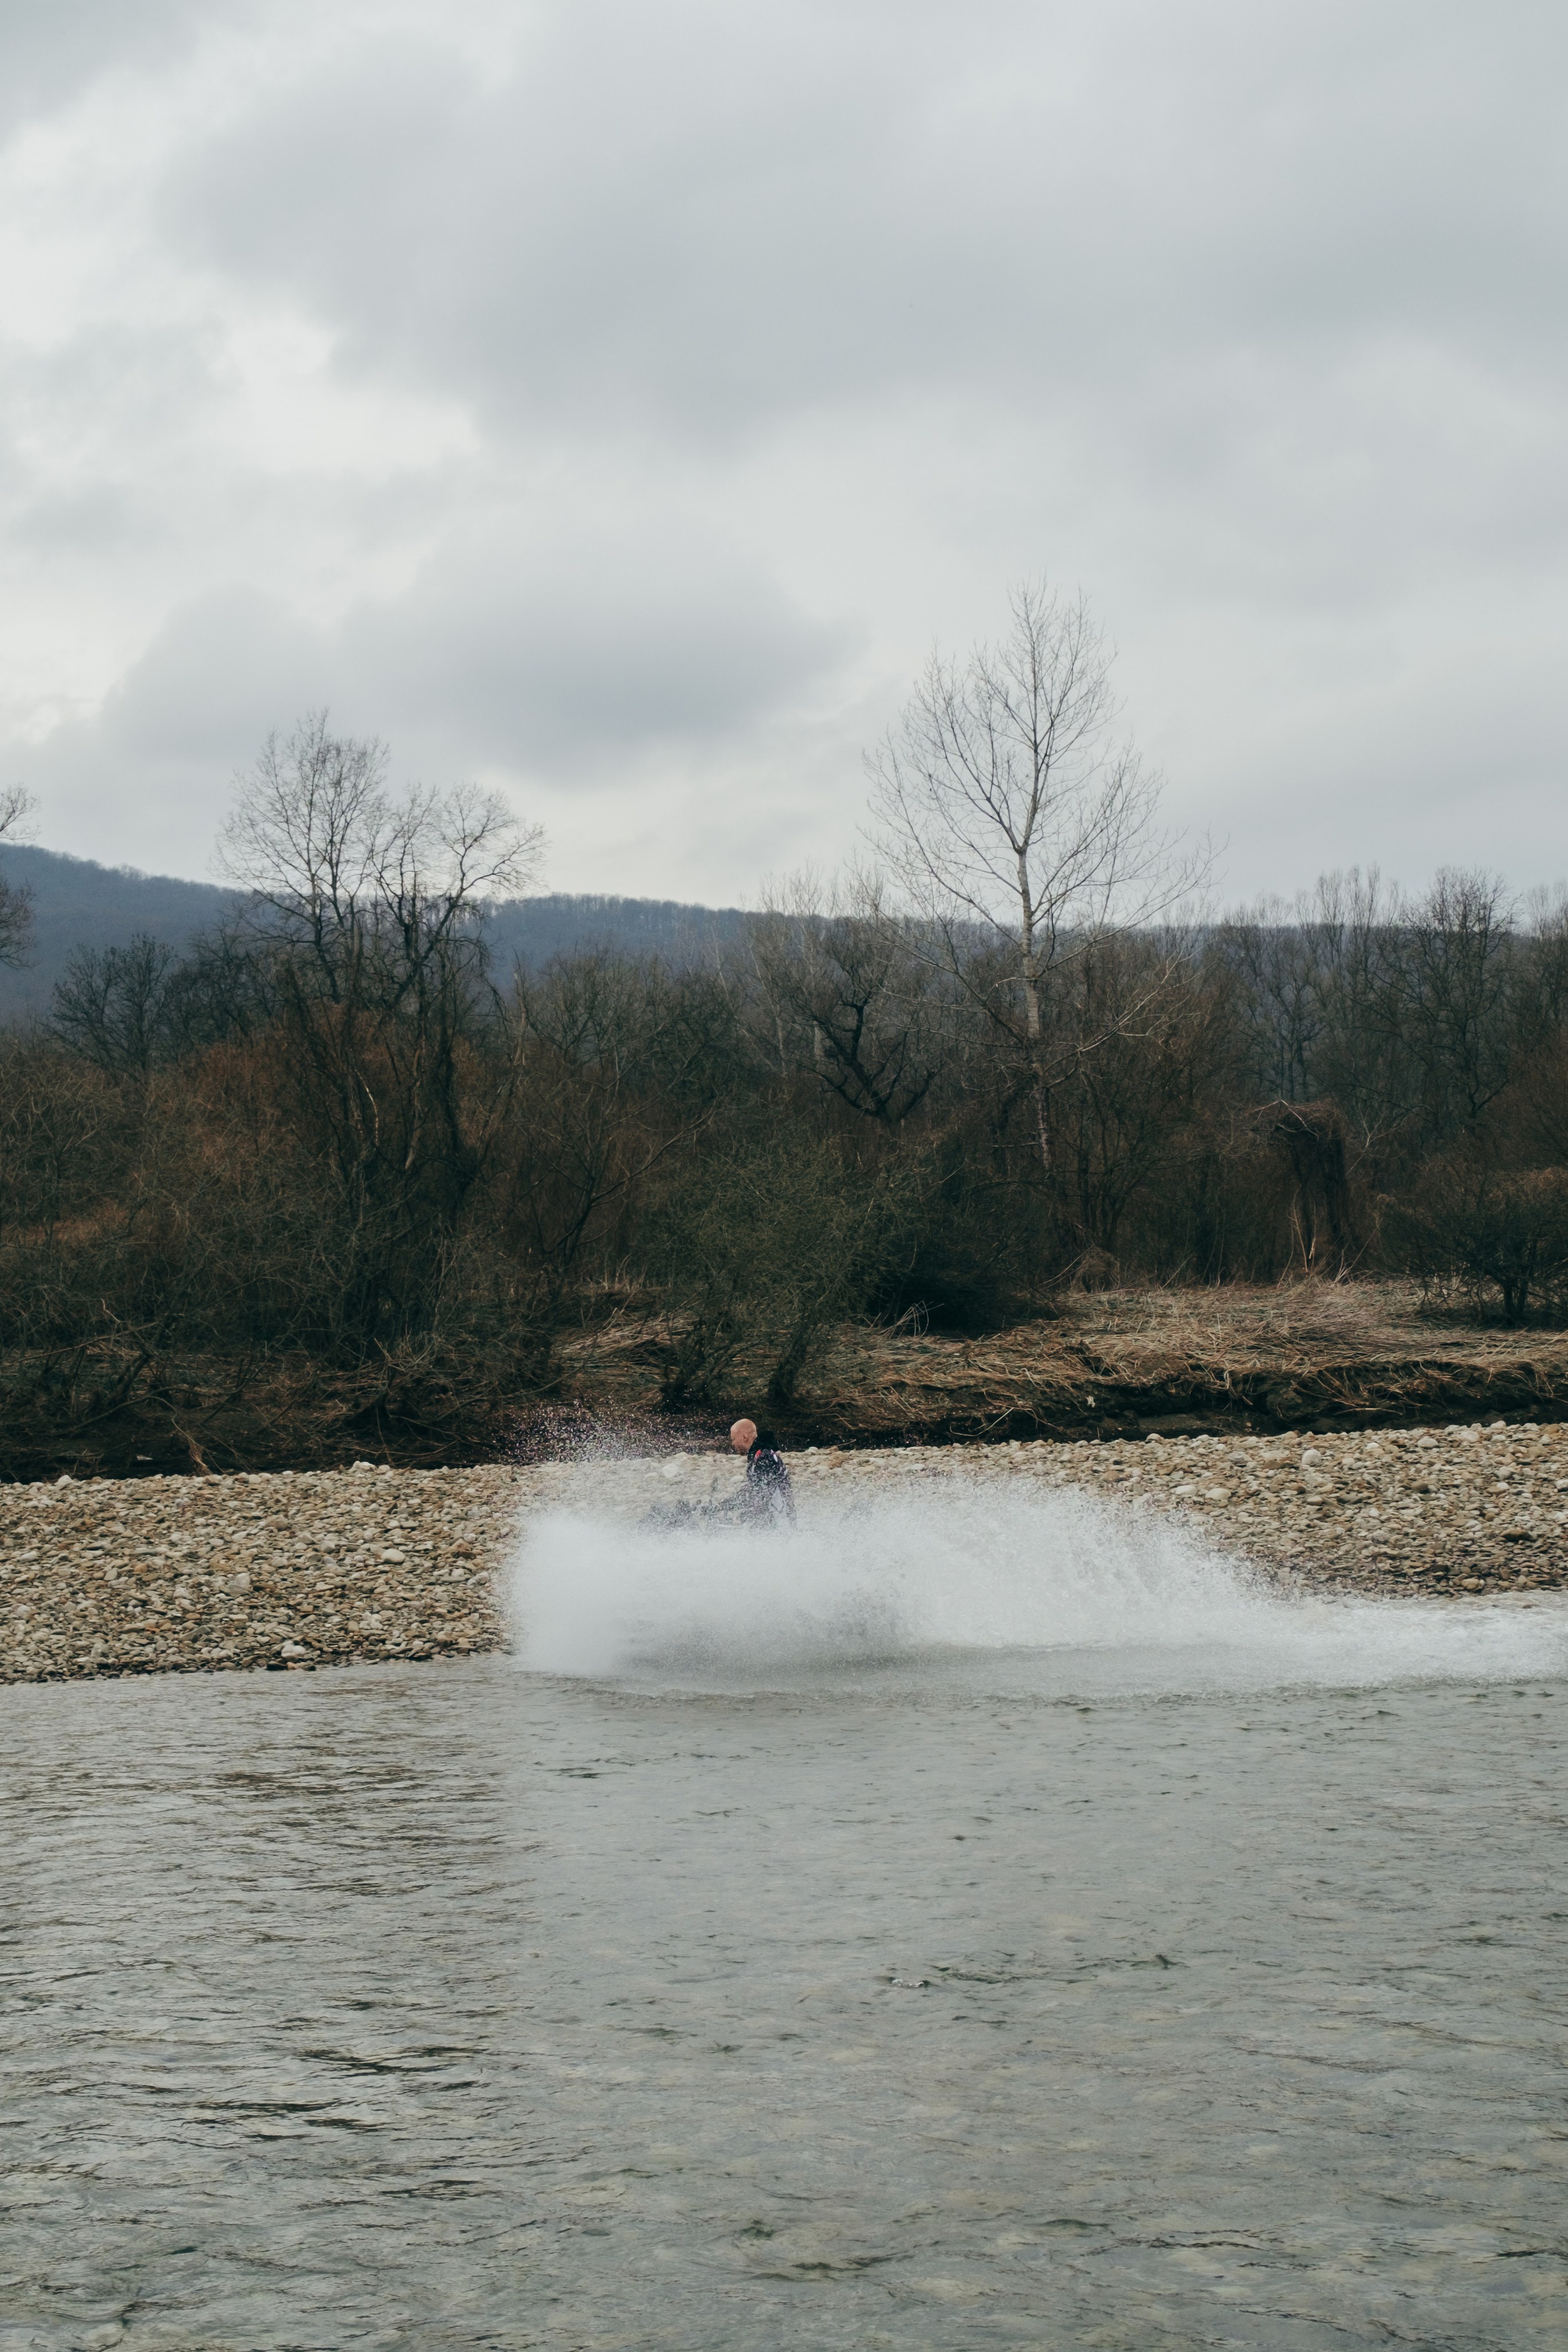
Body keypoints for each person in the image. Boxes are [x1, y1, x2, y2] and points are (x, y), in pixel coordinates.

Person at [726, 1417, 796, 1524]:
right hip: (773, 1519)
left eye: (734, 1439)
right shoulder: (758, 1456)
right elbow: (753, 1489)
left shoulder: (765, 1456)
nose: (733, 1443)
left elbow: (763, 1491)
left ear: (744, 1437)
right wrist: (725, 1506)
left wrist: (747, 1513)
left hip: (780, 1522)